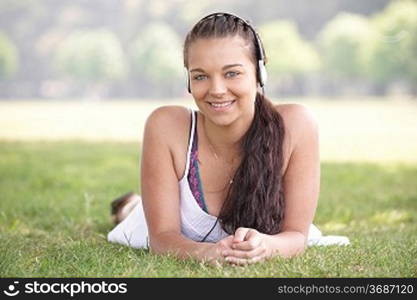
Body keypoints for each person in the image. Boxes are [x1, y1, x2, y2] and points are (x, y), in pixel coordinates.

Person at [107, 12, 348, 266]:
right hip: (159, 221)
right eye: (200, 76)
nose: (217, 90)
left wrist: (266, 245)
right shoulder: (166, 125)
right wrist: (204, 253)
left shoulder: (295, 125)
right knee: (134, 214)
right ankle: (130, 205)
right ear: (189, 81)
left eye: (232, 73)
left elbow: (297, 236)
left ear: (259, 73)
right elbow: (162, 238)